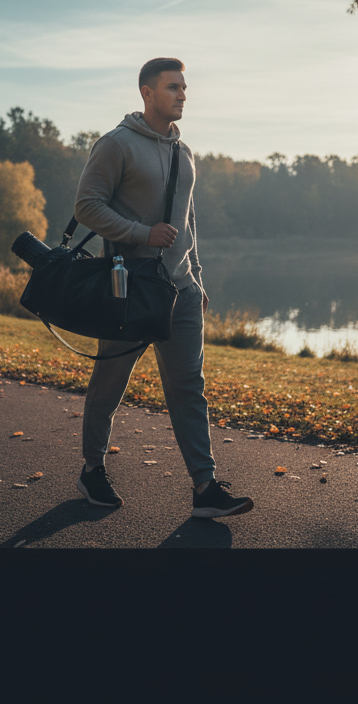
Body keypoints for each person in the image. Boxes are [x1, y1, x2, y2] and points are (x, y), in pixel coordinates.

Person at [72, 57, 253, 518]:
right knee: (110, 381)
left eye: (185, 87)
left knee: (189, 385)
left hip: (181, 290)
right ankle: (93, 469)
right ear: (147, 93)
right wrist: (140, 232)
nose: (183, 94)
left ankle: (205, 488)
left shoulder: (184, 151)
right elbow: (87, 206)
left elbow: (186, 219)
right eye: (173, 87)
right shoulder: (116, 145)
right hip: (129, 289)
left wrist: (196, 274)